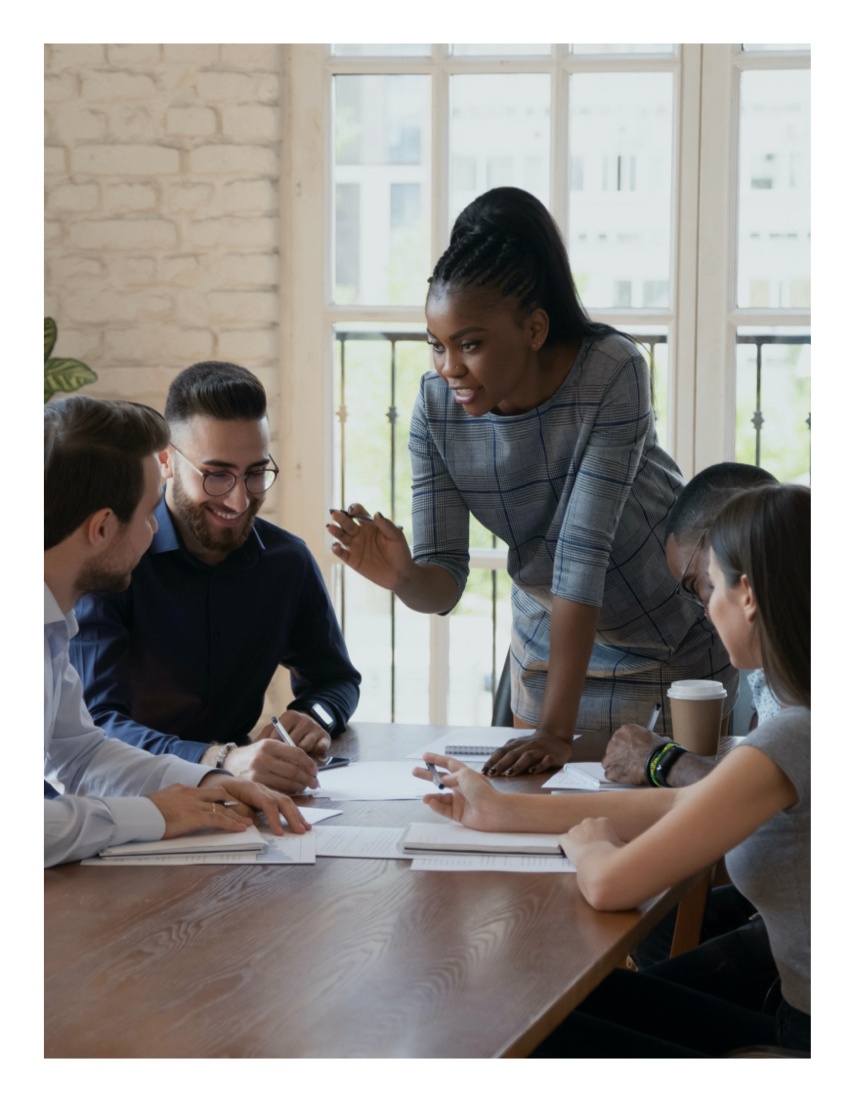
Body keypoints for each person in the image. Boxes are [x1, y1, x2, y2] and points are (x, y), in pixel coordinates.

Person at [328, 186, 735, 772]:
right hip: (551, 644)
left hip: (664, 637)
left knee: (665, 830)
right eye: (437, 346)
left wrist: (554, 730)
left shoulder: (611, 369)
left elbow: (581, 552)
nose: (449, 368)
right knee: (537, 828)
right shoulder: (434, 407)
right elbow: (444, 580)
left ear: (535, 328)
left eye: (469, 345)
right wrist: (404, 576)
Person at [415, 483, 810, 1055]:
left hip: (805, 1044)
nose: (705, 608)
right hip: (793, 1015)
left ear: (746, 593)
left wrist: (591, 845)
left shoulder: (797, 732)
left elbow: (607, 884)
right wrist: (501, 808)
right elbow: (685, 805)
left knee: (514, 1029)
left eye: (710, 585)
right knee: (539, 1007)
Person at [70, 362, 361, 796]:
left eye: (256, 473)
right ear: (167, 461)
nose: (240, 498)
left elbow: (335, 680)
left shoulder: (287, 562)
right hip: (123, 798)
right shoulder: (113, 560)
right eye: (217, 474)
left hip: (237, 803)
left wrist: (315, 715)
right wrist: (219, 760)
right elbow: (96, 725)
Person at [45, 395, 309, 867]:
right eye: (149, 514)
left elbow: (80, 756)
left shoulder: (51, 626)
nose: (155, 530)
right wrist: (152, 815)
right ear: (102, 528)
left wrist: (206, 780)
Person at [603, 461, 778, 789]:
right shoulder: (775, 676)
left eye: (705, 583)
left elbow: (754, 799)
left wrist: (661, 759)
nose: (708, 614)